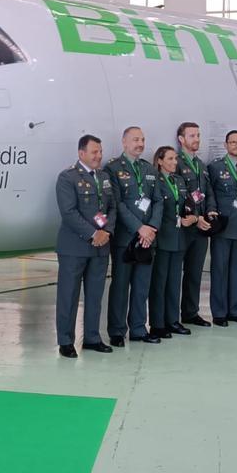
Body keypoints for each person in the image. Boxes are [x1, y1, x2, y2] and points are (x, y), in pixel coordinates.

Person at [54, 134, 116, 358]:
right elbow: (69, 212)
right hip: (74, 247)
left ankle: (92, 337)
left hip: (100, 247)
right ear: (81, 154)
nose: (99, 156)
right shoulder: (68, 177)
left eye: (100, 151)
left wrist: (106, 232)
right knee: (69, 296)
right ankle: (65, 341)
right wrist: (93, 234)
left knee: (95, 295)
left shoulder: (104, 177)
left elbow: (112, 208)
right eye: (94, 152)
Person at [106, 127, 162, 346]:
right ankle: (117, 331)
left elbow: (157, 201)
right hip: (126, 238)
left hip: (147, 238)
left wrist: (151, 229)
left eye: (142, 140)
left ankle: (138, 328)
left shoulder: (149, 169)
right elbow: (117, 204)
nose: (140, 143)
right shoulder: (113, 169)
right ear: (124, 142)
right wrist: (139, 228)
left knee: (141, 286)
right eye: (135, 139)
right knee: (120, 286)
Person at [206, 130, 237, 326]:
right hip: (223, 225)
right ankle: (219, 313)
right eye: (233, 142)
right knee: (219, 269)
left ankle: (234, 309)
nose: (236, 145)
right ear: (226, 145)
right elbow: (210, 194)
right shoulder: (215, 167)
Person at [148, 145, 194, 338]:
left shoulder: (179, 181)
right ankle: (158, 324)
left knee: (174, 282)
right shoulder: (155, 182)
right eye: (170, 159)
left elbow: (188, 204)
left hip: (178, 238)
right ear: (159, 161)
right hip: (162, 238)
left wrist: (192, 217)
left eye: (175, 159)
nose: (175, 162)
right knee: (159, 283)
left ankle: (173, 321)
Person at [175, 122, 214, 328]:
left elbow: (207, 193)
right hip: (184, 226)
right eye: (192, 136)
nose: (196, 139)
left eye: (198, 135)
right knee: (174, 275)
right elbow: (177, 196)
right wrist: (194, 218)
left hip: (201, 227)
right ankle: (171, 316)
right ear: (181, 139)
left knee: (195, 272)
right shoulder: (176, 163)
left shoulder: (201, 165)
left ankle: (190, 312)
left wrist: (209, 213)